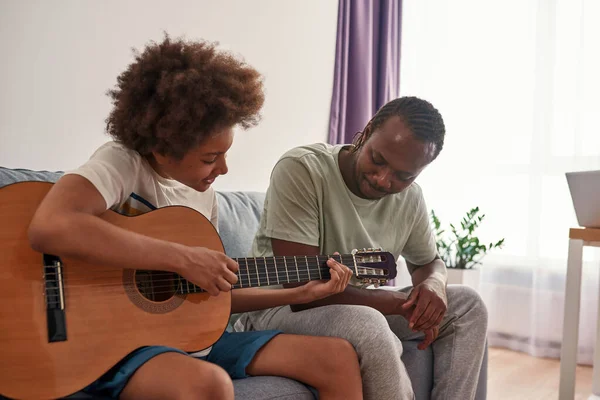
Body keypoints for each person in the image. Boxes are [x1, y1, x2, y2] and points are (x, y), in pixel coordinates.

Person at [27, 34, 363, 400]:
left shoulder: (204, 200)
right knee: (209, 385)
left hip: (191, 341)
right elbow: (52, 226)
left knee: (337, 357)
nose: (223, 168)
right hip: (112, 343)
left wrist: (299, 292)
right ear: (163, 146)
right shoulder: (124, 162)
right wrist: (183, 258)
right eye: (209, 158)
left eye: (225, 154)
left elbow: (209, 296)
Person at [233, 96, 489, 400]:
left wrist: (433, 285)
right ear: (366, 132)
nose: (383, 180)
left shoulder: (410, 199)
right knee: (368, 323)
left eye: (403, 176)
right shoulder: (303, 169)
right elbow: (302, 288)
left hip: (355, 307)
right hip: (279, 307)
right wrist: (395, 303)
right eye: (378, 160)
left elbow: (427, 262)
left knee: (468, 306)